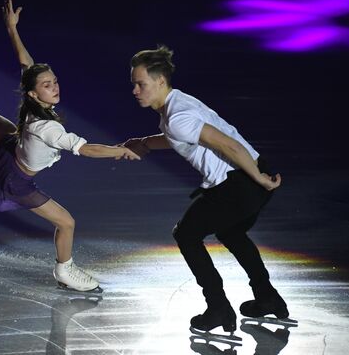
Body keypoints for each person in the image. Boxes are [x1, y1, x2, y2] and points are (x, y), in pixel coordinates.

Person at [0, 0, 140, 292]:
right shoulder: (48, 128)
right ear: (36, 94)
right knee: (67, 223)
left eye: (55, 80)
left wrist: (12, 29)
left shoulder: (31, 98)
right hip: (18, 180)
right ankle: (65, 271)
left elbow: (26, 63)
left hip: (13, 147)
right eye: (47, 85)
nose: (55, 86)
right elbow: (86, 149)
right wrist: (121, 150)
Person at [120, 45, 288, 332]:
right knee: (231, 232)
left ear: (160, 81)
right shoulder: (176, 106)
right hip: (250, 175)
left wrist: (259, 179)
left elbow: (228, 145)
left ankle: (218, 307)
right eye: (133, 84)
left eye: (141, 84)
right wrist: (145, 143)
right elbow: (177, 138)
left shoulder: (178, 116)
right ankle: (267, 298)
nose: (135, 90)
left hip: (243, 180)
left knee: (186, 234)